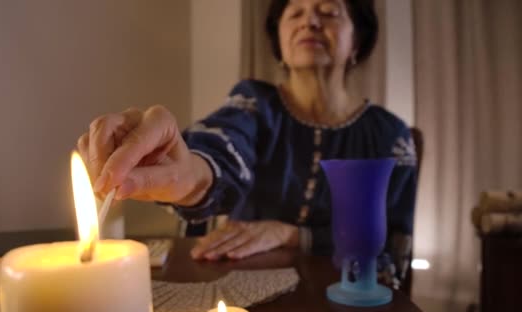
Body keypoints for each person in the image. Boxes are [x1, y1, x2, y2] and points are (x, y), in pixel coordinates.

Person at [77, 0, 417, 286]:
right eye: (295, 12)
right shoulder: (254, 104)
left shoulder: (389, 135)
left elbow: (392, 249)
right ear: (280, 40)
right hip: (242, 291)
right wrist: (186, 173)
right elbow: (222, 147)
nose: (310, 22)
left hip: (346, 299)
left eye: (328, 11)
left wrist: (291, 235)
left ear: (357, 40)